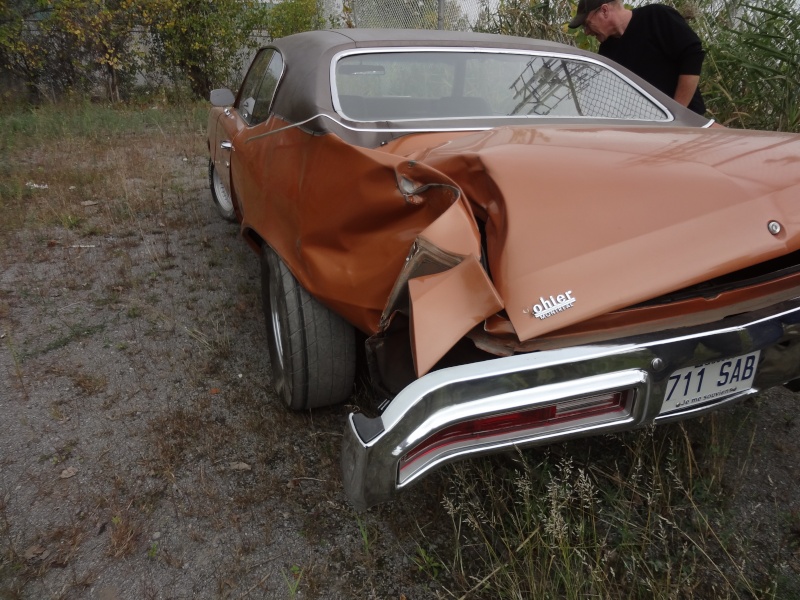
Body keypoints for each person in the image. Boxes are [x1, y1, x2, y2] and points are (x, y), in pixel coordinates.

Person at [569, 0, 706, 115]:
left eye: (587, 24)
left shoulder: (656, 16)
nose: (586, 32)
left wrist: (677, 114)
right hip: (645, 129)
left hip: (689, 122)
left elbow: (692, 55)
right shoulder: (607, 52)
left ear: (604, 11)